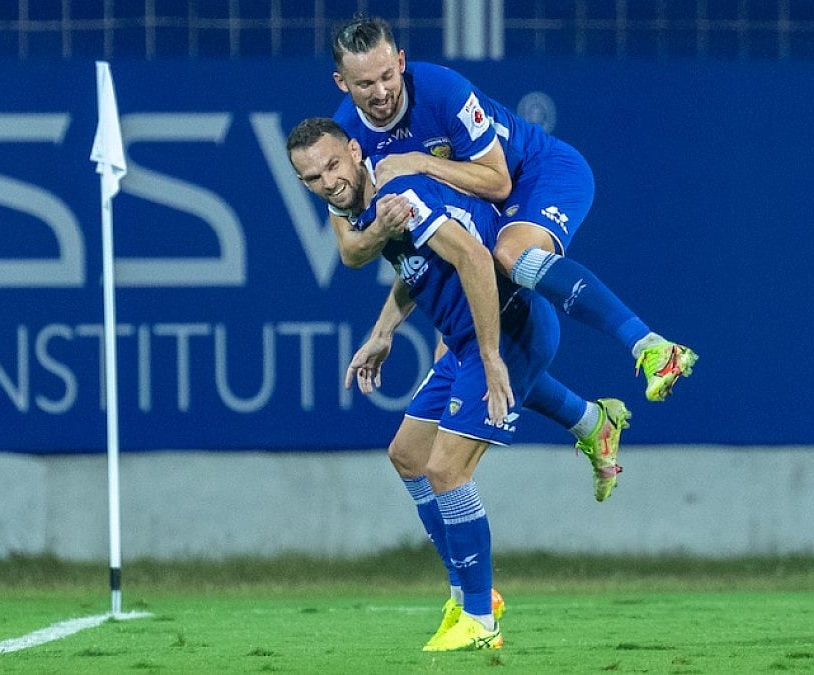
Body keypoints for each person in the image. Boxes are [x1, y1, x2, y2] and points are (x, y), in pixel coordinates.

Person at [287, 117, 628, 651]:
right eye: (312, 178)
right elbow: (399, 263)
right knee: (407, 455)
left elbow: (472, 254)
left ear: (355, 151)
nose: (328, 182)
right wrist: (383, 332)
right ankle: (588, 423)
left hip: (510, 326)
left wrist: (491, 356)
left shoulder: (400, 191)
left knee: (447, 470)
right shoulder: (365, 200)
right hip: (465, 336)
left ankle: (480, 619)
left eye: (332, 165)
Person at [324, 15, 699, 413]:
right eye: (365, 84)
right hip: (482, 209)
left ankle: (651, 346)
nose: (381, 92)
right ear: (342, 83)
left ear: (401, 61)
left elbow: (498, 182)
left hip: (540, 172)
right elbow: (352, 250)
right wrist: (383, 331)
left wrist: (419, 162)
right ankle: (589, 421)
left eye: (387, 76)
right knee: (454, 362)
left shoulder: (441, 89)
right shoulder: (345, 140)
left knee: (510, 254)